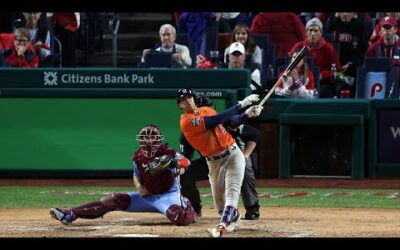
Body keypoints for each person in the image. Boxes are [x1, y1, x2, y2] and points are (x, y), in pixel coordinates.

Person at [49, 125, 198, 226]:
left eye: (152, 137)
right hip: (147, 196)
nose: (148, 141)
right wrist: (140, 187)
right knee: (114, 199)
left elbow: (186, 163)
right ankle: (70, 214)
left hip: (168, 196)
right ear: (140, 140)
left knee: (179, 218)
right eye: (145, 137)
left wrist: (172, 164)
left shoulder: (167, 152)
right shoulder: (138, 157)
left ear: (158, 139)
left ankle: (186, 206)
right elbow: (137, 175)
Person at [177, 88, 263, 237]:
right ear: (180, 105)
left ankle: (223, 224)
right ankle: (231, 216)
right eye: (183, 99)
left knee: (232, 191)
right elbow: (214, 121)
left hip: (233, 153)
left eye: (189, 97)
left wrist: (247, 114)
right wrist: (241, 105)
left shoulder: (206, 110)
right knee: (220, 204)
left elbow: (230, 122)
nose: (188, 100)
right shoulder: (186, 121)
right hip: (213, 162)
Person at [289, 17, 341, 98]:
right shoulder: (298, 46)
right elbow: (289, 66)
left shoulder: (329, 48)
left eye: (316, 31)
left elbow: (336, 70)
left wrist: (322, 75)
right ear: (306, 33)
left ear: (321, 33)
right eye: (310, 30)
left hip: (322, 83)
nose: (313, 33)